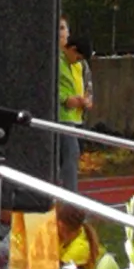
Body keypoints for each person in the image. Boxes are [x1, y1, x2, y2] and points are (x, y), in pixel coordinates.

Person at [53, 201, 127, 269]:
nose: (57, 231)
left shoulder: (81, 247)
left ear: (73, 230)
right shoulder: (64, 237)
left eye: (61, 229)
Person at [56, 16, 90, 191]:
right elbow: (48, 86)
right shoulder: (53, 60)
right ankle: (71, 198)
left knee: (71, 158)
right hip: (61, 118)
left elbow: (87, 84)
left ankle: (64, 196)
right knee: (69, 156)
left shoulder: (80, 64)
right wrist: (64, 99)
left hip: (77, 119)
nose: (61, 33)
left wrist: (87, 100)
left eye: (64, 28)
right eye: (58, 28)